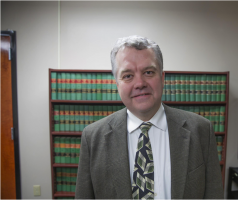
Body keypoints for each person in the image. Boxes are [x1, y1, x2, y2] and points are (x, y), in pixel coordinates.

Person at [75, 35, 223, 200]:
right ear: (117, 83)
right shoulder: (92, 137)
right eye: (128, 76)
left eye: (148, 72)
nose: (140, 83)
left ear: (162, 78)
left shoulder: (201, 130)